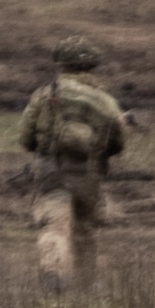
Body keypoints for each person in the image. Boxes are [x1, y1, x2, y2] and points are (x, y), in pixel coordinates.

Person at [17, 37, 126, 290]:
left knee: (55, 223)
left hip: (51, 169)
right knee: (85, 228)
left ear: (61, 64)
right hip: (89, 172)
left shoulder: (44, 95)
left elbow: (25, 137)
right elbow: (118, 142)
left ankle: (53, 273)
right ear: (91, 66)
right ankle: (85, 283)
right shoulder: (105, 100)